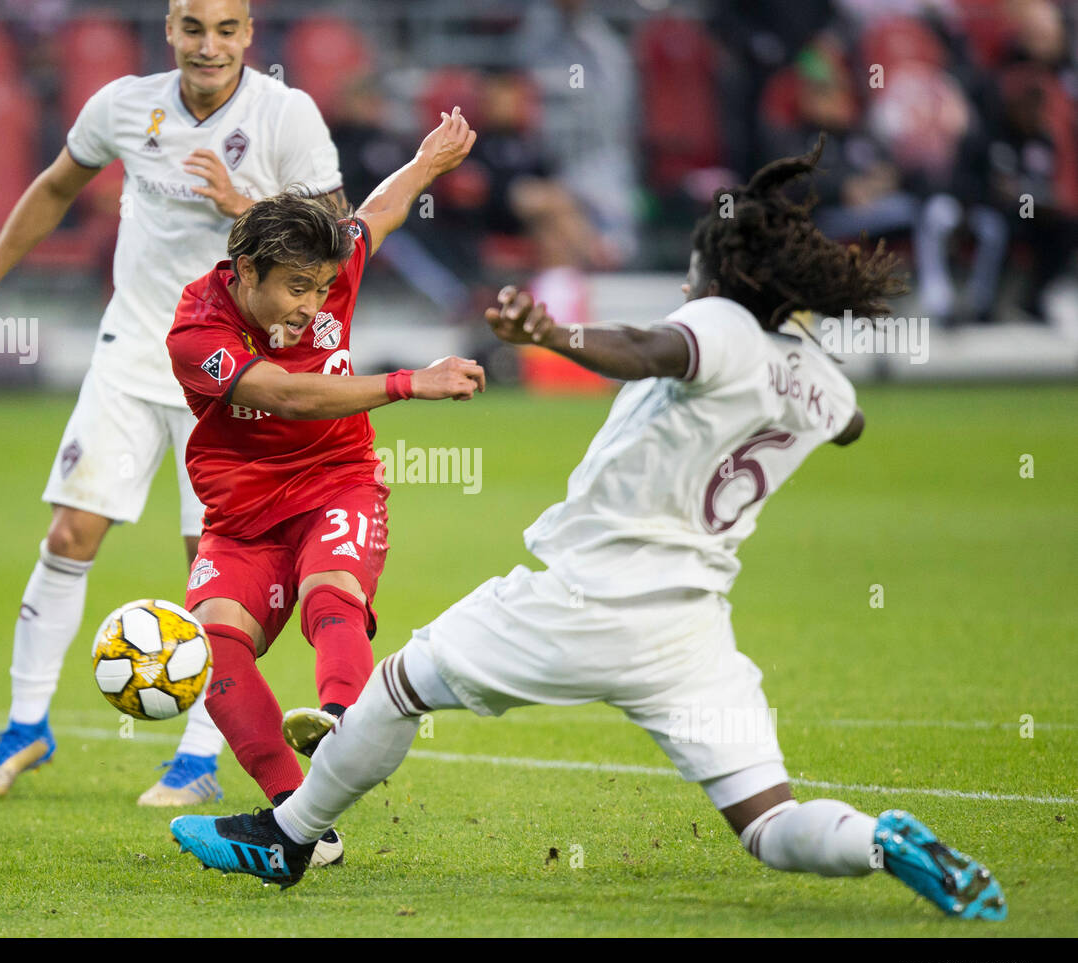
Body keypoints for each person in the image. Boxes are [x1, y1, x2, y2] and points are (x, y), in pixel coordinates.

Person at [168, 141, 1008, 922]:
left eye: (696, 272)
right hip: (692, 633)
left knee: (395, 690)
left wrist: (554, 337)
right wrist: (795, 350)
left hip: (581, 598)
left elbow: (650, 346)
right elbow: (852, 422)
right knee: (768, 821)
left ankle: (290, 836)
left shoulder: (717, 331)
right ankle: (879, 838)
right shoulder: (816, 382)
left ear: (726, 281)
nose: (686, 285)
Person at [0, 0, 349, 805]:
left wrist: (247, 210)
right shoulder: (125, 105)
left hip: (235, 373)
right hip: (133, 351)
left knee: (215, 570)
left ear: (248, 36)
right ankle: (27, 727)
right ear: (169, 29)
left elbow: (340, 237)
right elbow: (56, 186)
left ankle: (198, 757)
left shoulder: (288, 116)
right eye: (193, 27)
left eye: (226, 30)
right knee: (70, 531)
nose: (209, 45)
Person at [164, 109, 483, 866]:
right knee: (212, 647)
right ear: (244, 272)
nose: (311, 306)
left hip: (338, 483)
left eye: (321, 287)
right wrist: (411, 383)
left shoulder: (327, 265)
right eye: (295, 289)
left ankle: (341, 720)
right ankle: (298, 822)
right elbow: (288, 396)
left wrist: (428, 162)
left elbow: (377, 212)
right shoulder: (196, 332)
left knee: (332, 590)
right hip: (241, 517)